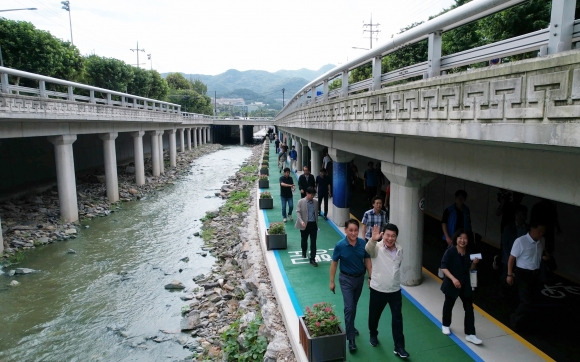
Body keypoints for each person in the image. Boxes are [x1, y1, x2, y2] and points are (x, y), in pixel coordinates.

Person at [366, 223, 410, 358]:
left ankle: (399, 347)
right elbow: (368, 250)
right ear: (383, 235)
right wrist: (373, 239)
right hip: (378, 289)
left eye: (393, 236)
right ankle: (373, 334)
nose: (390, 238)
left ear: (396, 237)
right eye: (387, 235)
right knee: (374, 316)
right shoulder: (376, 248)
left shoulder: (400, 249)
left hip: (395, 290)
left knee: (397, 319)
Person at [329, 219, 372, 353]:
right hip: (346, 279)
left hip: (359, 279)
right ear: (346, 230)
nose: (353, 233)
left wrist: (371, 277)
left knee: (353, 305)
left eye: (355, 230)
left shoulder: (363, 244)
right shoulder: (340, 245)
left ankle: (351, 326)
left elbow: (367, 259)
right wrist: (332, 281)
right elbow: (334, 263)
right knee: (349, 307)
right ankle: (351, 339)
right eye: (350, 230)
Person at [440, 229, 482, 345]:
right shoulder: (451, 251)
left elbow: (471, 270)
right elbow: (443, 266)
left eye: (465, 238)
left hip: (465, 284)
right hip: (452, 284)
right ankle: (445, 325)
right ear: (456, 239)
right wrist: (453, 279)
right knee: (449, 304)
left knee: (469, 308)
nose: (462, 241)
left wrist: (474, 263)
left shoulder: (469, 252)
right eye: (460, 238)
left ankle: (470, 334)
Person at [506, 220, 548, 330]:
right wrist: (509, 274)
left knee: (533, 298)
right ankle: (514, 319)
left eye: (543, 232)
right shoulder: (520, 241)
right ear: (532, 229)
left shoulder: (542, 241)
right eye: (539, 231)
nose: (541, 234)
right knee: (526, 300)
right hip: (523, 273)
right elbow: (511, 258)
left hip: (535, 273)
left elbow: (540, 253)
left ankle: (525, 321)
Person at [295, 187, 319, 266]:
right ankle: (304, 251)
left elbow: (315, 214)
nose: (312, 196)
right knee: (304, 240)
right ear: (307, 194)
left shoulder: (316, 202)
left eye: (313, 195)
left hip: (313, 225)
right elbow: (298, 212)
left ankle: (312, 258)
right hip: (304, 224)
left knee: (313, 242)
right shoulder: (301, 202)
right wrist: (301, 221)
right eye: (311, 195)